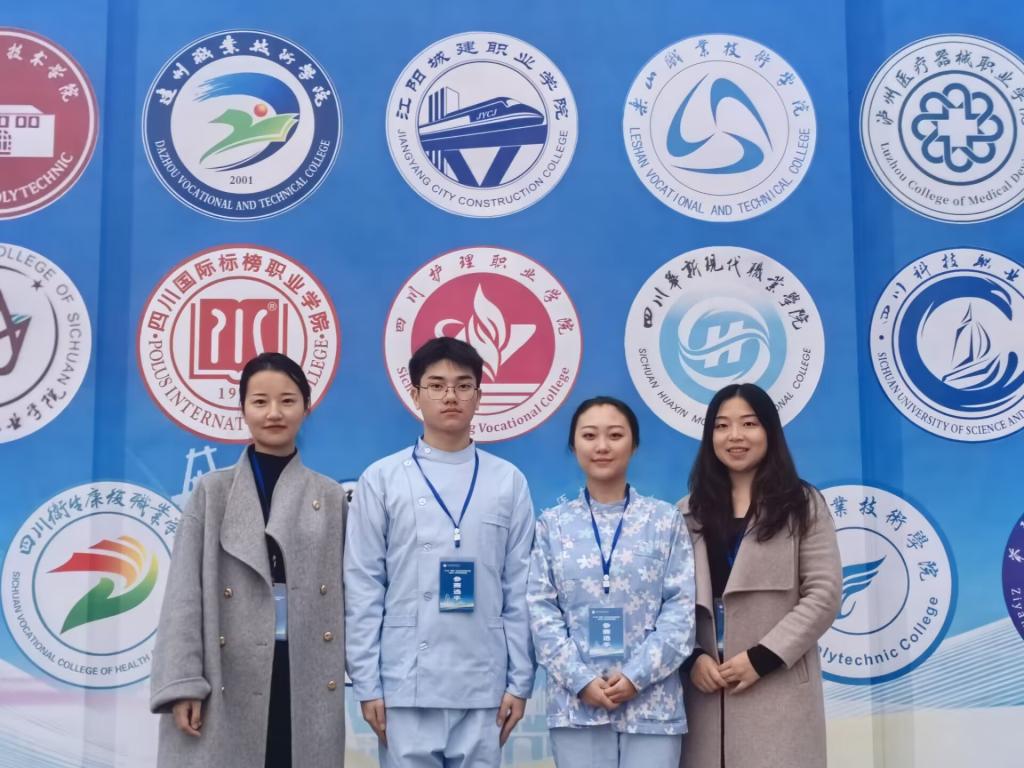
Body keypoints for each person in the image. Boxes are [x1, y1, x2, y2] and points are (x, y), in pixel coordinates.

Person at [345, 336, 535, 768]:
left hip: (485, 681)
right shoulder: (382, 479)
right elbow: (363, 585)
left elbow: (520, 589)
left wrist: (520, 681)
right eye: (436, 385)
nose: (450, 396)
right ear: (416, 395)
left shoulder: (508, 481)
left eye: (463, 385)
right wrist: (368, 684)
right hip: (405, 681)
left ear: (479, 397)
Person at [150, 352, 347, 768]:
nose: (274, 413)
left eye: (287, 400)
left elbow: (353, 595)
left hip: (303, 667)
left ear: (306, 408)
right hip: (227, 669)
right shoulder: (212, 492)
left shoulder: (330, 496)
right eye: (260, 401)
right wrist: (183, 682)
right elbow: (183, 594)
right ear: (242, 408)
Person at [528, 396, 696, 768]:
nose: (602, 446)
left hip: (653, 706)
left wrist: (636, 676)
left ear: (633, 445)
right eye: (590, 435)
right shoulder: (552, 526)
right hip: (576, 706)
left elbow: (681, 612)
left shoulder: (664, 521)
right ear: (574, 446)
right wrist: (580, 679)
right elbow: (541, 613)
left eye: (615, 435)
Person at [679, 383, 841, 768]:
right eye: (722, 426)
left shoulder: (803, 505)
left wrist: (762, 657)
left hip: (777, 687)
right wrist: (692, 657)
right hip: (704, 692)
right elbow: (668, 602)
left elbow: (823, 594)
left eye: (749, 424)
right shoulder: (686, 512)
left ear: (769, 431)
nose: (735, 436)